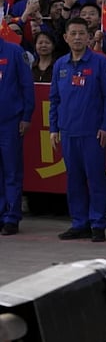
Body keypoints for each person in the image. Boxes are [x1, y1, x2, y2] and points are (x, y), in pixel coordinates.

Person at [48, 17, 106, 243]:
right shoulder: (60, 65)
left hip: (93, 133)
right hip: (68, 132)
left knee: (96, 179)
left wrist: (105, 126)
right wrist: (53, 128)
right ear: (66, 38)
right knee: (74, 179)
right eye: (73, 34)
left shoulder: (100, 63)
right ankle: (79, 223)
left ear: (89, 37)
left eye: (82, 34)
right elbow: (54, 99)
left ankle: (98, 224)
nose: (78, 38)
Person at [0, 35, 34, 236]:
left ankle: (11, 217)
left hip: (10, 122)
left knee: (11, 171)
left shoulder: (14, 52)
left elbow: (27, 86)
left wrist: (26, 116)